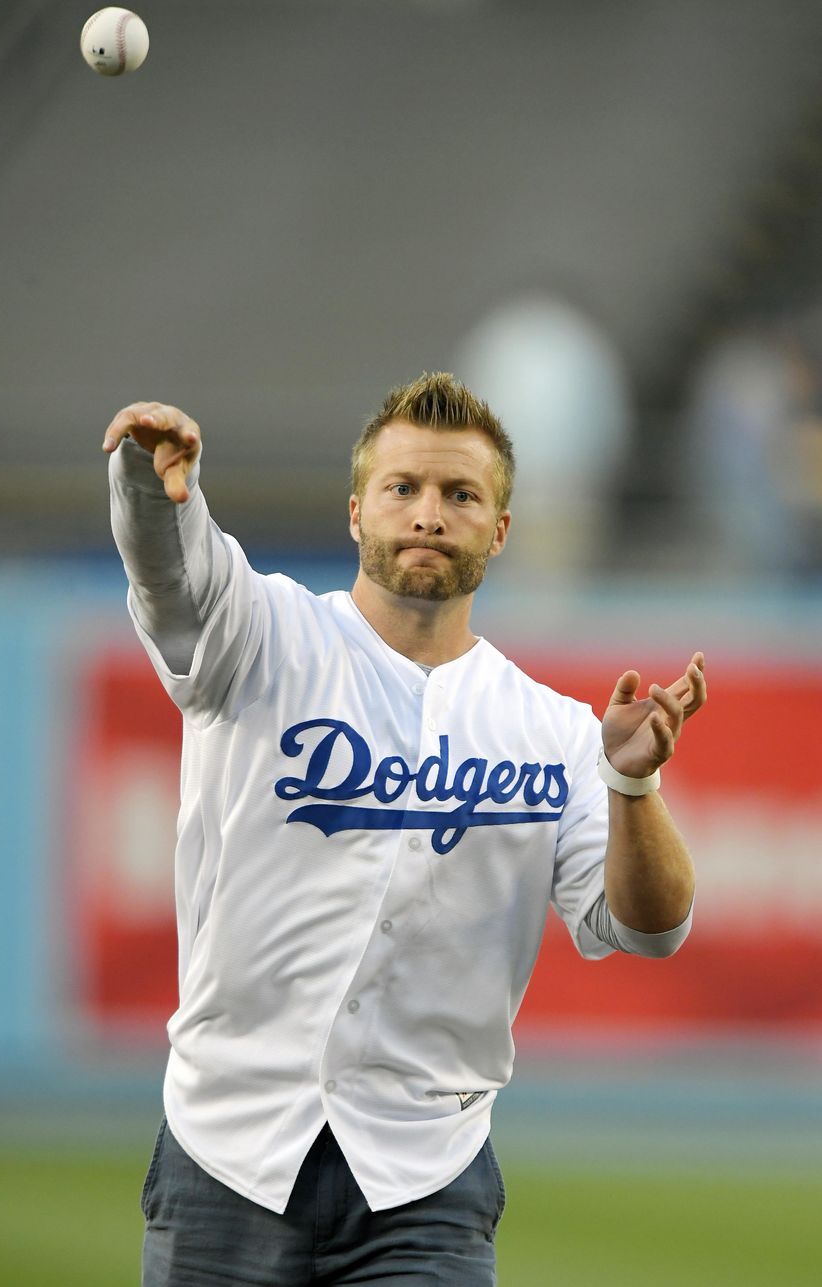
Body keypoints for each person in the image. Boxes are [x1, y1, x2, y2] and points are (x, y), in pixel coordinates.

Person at [103, 372, 706, 1287]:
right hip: (230, 1149)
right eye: (404, 488)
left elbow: (651, 928)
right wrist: (153, 484)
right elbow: (173, 576)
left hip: (426, 1176)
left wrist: (632, 780)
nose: (429, 512)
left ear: (499, 530)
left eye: (460, 494)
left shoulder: (554, 727)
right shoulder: (261, 636)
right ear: (357, 512)